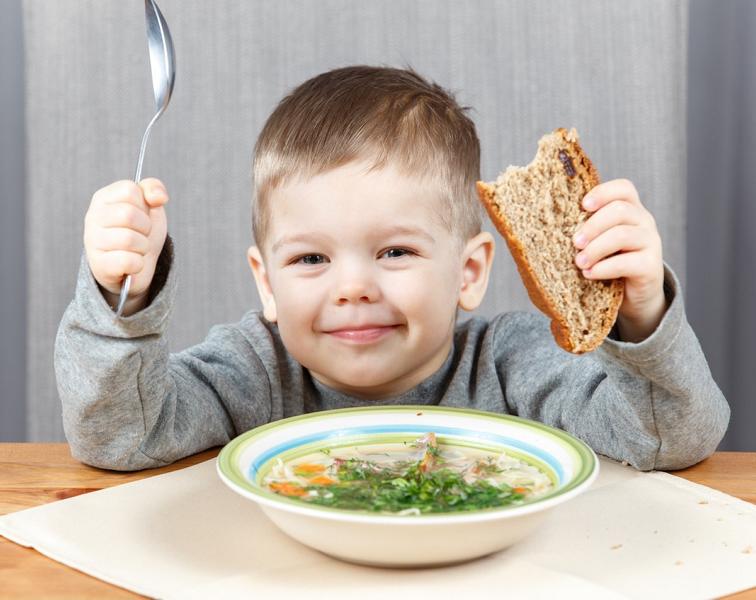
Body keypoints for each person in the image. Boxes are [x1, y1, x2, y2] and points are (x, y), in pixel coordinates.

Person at [54, 65, 729, 472]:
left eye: (395, 252)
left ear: (469, 272)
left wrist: (641, 315)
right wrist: (124, 300)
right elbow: (119, 436)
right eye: (311, 258)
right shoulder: (254, 371)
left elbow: (673, 438)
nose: (353, 287)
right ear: (266, 282)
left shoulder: (514, 365)